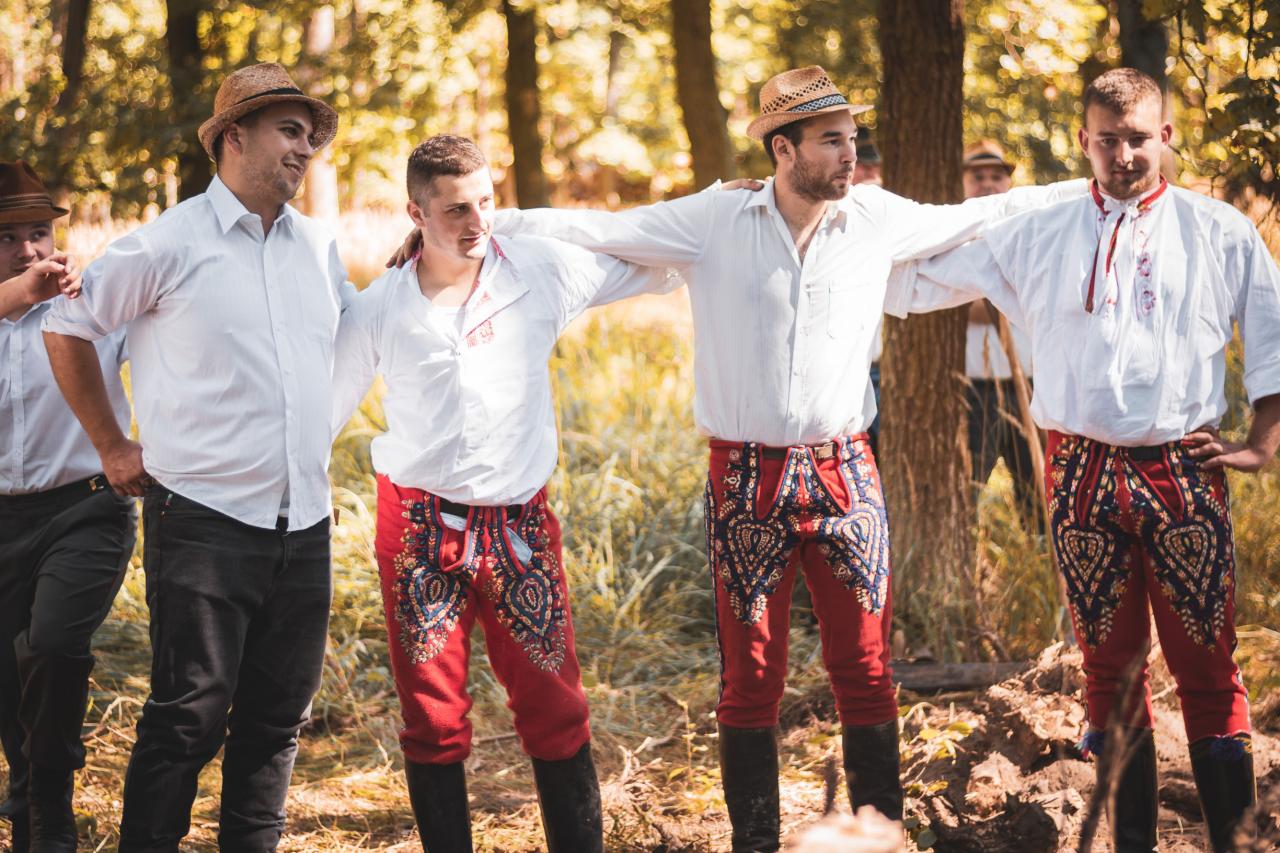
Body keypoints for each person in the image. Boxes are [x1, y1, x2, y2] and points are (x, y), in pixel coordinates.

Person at [394, 66, 1087, 850]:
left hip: (845, 470)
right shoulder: (715, 220)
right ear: (783, 149)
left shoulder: (874, 218)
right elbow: (602, 227)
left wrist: (1087, 189)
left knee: (865, 667)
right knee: (751, 677)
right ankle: (755, 842)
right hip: (745, 479)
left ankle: (880, 836)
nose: (850, 155)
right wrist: (479, 226)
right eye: (831, 141)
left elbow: (980, 215)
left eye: (851, 139)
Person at [893, 67, 1279, 853]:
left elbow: (1271, 331)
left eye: (1138, 138)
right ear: (1084, 141)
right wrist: (826, 227)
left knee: (1208, 667)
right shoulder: (1038, 228)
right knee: (1109, 670)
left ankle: (1235, 846)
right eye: (1108, 140)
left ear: (1164, 135)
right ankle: (1133, 844)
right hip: (1079, 472)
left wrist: (1261, 443)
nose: (1124, 155)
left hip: (1182, 470)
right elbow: (920, 270)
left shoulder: (1217, 229)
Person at [41, 63, 351, 852]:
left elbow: (357, 336)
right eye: (289, 130)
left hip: (305, 524)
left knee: (278, 721)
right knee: (188, 717)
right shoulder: (164, 243)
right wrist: (111, 444)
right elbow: (67, 328)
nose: (305, 147)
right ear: (234, 137)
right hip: (203, 522)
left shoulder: (320, 247)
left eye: (309, 134)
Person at [332, 135, 671, 853]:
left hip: (518, 524)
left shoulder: (539, 271)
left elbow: (656, 258)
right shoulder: (379, 306)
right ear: (415, 214)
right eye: (456, 209)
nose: (477, 221)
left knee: (554, 703)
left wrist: (725, 216)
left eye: (487, 202)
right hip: (419, 527)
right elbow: (322, 413)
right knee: (432, 716)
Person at [0, 161, 132, 853]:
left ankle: (49, 803)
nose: (29, 250)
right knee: (6, 677)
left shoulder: (93, 302)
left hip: (84, 509)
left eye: (39, 234)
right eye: (7, 237)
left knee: (52, 644)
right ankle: (29, 799)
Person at [959, 141, 1039, 525]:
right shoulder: (954, 235)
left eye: (996, 176)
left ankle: (1039, 551)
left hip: (1028, 383)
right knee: (968, 485)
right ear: (962, 182)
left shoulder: (1030, 233)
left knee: (1036, 487)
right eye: (978, 176)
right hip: (975, 388)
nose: (988, 183)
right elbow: (959, 308)